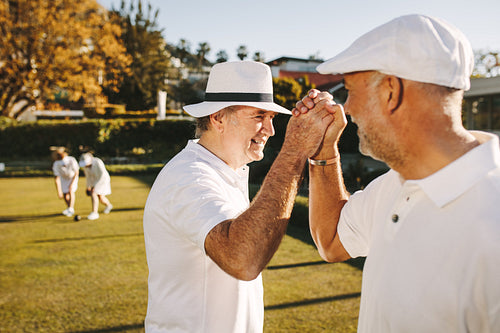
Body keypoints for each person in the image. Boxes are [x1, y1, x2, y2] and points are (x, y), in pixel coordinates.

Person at [294, 14, 500, 332]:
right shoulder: (393, 185)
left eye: (350, 90)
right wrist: (324, 149)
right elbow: (332, 241)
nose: (346, 107)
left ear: (391, 91)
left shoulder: (492, 225)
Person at [143, 61, 335, 332]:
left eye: (271, 118)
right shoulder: (190, 178)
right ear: (218, 118)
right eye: (258, 116)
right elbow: (243, 260)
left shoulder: (225, 170)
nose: (271, 131)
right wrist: (295, 150)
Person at [79, 152, 113, 220]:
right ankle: (109, 205)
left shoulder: (98, 162)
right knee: (100, 197)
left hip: (103, 180)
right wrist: (88, 186)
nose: (85, 166)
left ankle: (94, 213)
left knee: (94, 193)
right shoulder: (86, 167)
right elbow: (88, 177)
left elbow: (102, 175)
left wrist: (94, 187)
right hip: (95, 181)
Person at [51, 146, 79, 217]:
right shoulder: (56, 164)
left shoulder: (71, 159)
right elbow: (57, 178)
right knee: (65, 196)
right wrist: (59, 191)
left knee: (70, 190)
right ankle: (69, 208)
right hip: (64, 179)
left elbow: (76, 172)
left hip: (73, 177)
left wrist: (72, 184)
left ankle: (71, 208)